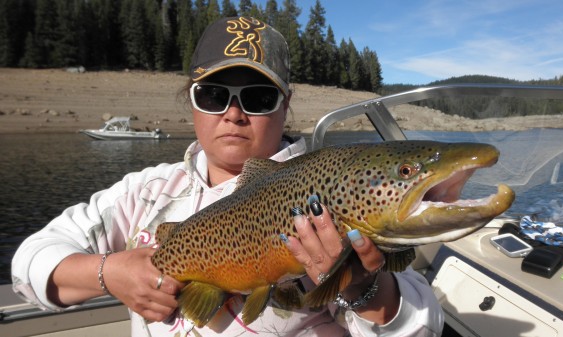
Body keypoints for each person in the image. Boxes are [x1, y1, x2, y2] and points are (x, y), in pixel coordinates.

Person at [12, 16, 443, 336]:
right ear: (192, 99)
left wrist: (363, 285)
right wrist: (110, 273)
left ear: (285, 104)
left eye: (257, 97)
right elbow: (29, 263)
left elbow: (421, 327)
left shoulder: (331, 188)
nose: (234, 114)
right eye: (215, 95)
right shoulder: (145, 194)